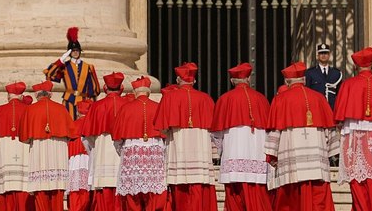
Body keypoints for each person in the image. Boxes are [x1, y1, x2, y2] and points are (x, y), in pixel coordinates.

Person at [265, 62, 339, 211]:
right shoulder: (319, 98)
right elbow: (329, 130)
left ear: (287, 81)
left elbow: (275, 131)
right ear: (304, 80)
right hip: (316, 160)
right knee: (318, 197)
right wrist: (330, 152)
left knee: (292, 200)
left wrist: (272, 156)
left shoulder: (280, 100)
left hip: (292, 161)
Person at [333, 47, 372, 211]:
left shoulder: (348, 85)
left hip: (356, 139)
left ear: (355, 66)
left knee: (359, 179)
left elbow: (338, 116)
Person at [153, 62, 217, 211]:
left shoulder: (170, 97)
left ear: (177, 80)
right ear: (194, 80)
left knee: (180, 189)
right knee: (198, 187)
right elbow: (214, 129)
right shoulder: (206, 98)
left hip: (178, 147)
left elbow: (161, 128)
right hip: (200, 148)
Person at [210, 63, 271, 211]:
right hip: (257, 153)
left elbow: (216, 133)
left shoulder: (225, 99)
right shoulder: (261, 99)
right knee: (257, 194)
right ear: (249, 78)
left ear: (232, 81)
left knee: (234, 195)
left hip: (233, 152)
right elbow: (270, 131)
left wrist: (221, 151)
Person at [18, 80, 77, 211]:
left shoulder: (30, 109)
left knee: (40, 191)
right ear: (50, 94)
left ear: (36, 95)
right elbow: (71, 134)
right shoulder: (61, 109)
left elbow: (24, 137)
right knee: (57, 191)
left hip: (39, 152)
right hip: (58, 152)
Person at [111, 76, 168, 211]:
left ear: (136, 92)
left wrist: (123, 153)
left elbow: (117, 139)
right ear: (148, 92)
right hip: (155, 152)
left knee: (133, 193)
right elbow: (166, 134)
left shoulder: (126, 108)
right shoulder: (158, 107)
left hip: (132, 153)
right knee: (154, 192)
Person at [80, 71, 127, 210]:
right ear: (122, 88)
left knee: (104, 194)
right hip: (122, 152)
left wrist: (95, 148)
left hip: (102, 153)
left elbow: (87, 136)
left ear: (105, 88)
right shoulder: (127, 104)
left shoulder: (96, 106)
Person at [0, 81, 30, 211]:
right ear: (21, 96)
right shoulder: (28, 110)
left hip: (4, 152)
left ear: (8, 96)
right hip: (24, 151)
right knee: (23, 187)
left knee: (5, 189)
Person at [44, 27, 101, 119]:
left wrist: (91, 101)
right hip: (68, 100)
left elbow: (95, 88)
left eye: (77, 50)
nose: (75, 52)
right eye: (73, 51)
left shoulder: (88, 67)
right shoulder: (64, 66)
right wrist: (61, 60)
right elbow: (49, 75)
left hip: (84, 101)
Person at [67, 99, 93, 211]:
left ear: (78, 112)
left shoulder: (73, 125)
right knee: (87, 189)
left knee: (75, 191)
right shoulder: (93, 124)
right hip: (89, 159)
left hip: (74, 159)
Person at [305, 43, 343, 109]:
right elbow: (307, 92)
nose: (323, 55)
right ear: (318, 56)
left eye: (325, 53)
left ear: (329, 55)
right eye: (321, 53)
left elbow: (340, 93)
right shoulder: (310, 73)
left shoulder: (336, 73)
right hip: (316, 107)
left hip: (332, 108)